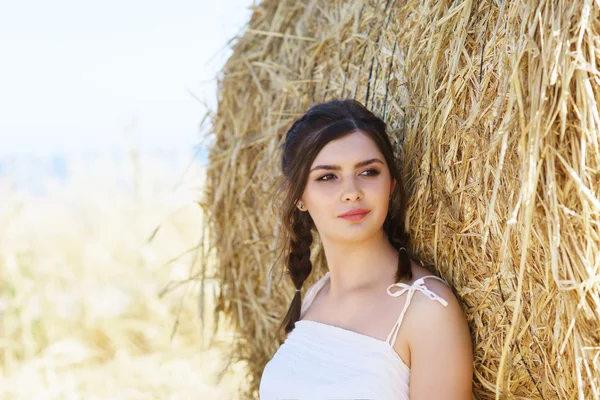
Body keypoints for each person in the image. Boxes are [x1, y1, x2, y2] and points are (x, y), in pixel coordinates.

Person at [259, 99, 473, 399]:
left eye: (369, 172)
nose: (351, 192)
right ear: (298, 196)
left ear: (392, 183)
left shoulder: (426, 311)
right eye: (327, 177)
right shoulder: (315, 295)